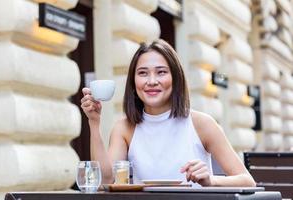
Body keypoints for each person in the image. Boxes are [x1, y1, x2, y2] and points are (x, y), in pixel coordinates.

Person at [80, 39, 256, 187]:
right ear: (134, 82)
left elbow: (248, 181)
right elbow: (106, 180)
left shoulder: (202, 124)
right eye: (142, 73)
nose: (152, 81)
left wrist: (211, 180)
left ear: (176, 77)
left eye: (161, 72)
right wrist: (94, 123)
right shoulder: (124, 128)